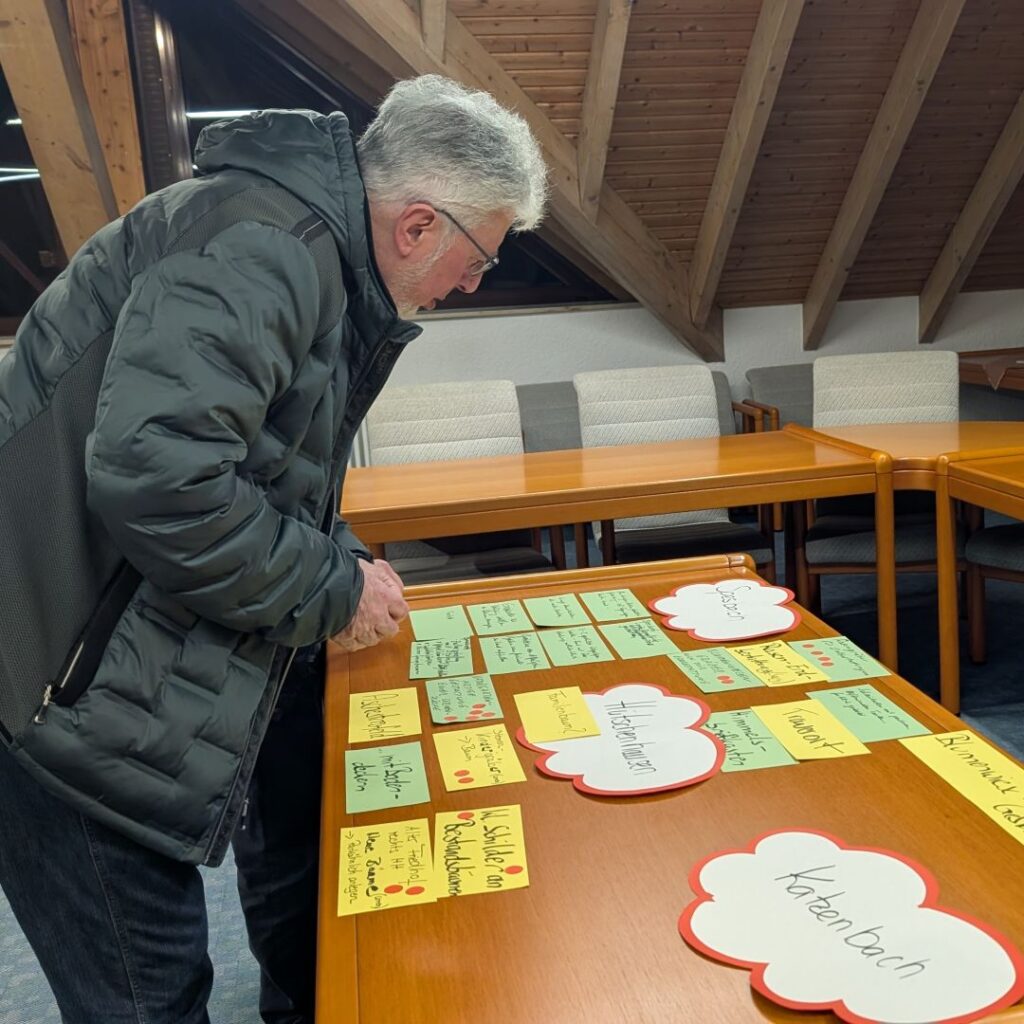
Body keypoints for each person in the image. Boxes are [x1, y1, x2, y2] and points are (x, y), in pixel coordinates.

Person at [0, 74, 547, 1023]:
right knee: (147, 993)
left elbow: (257, 467)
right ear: (418, 225)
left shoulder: (301, 245)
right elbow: (162, 485)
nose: (470, 284)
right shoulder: (265, 250)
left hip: (102, 646)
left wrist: (343, 556)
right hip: (57, 683)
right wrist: (335, 587)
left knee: (284, 834)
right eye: (479, 258)